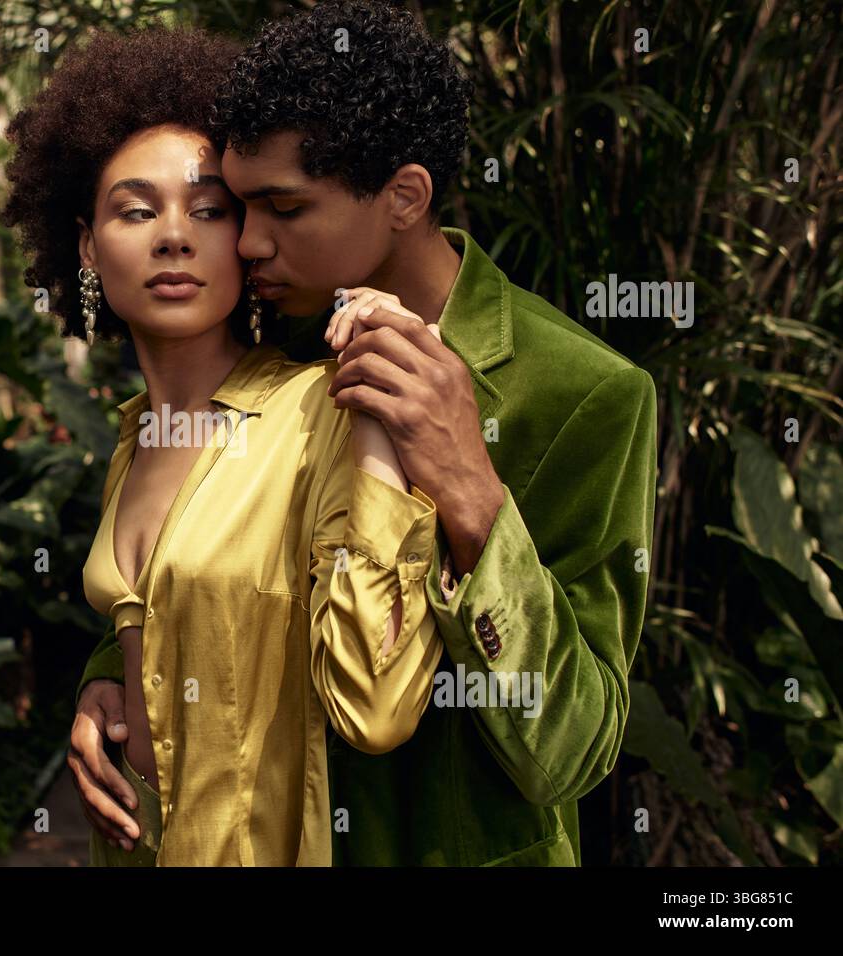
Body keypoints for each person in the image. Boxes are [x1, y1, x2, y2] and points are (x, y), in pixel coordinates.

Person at [74, 0, 658, 866]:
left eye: (282, 207)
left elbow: (576, 747)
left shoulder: (579, 392)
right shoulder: (275, 343)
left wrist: (470, 493)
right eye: (237, 205)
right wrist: (110, 684)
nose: (249, 242)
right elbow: (210, 575)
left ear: (404, 197)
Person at [3, 25, 445, 866]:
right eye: (137, 211)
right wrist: (98, 699)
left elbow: (378, 707)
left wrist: (380, 421)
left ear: (245, 238)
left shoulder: (321, 409)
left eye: (209, 211)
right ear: (90, 248)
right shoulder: (133, 442)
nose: (174, 236)